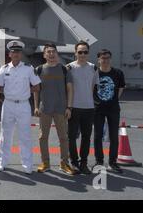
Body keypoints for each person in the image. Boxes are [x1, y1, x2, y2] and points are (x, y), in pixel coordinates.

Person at [0, 41, 41, 174]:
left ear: (21, 54)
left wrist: (24, 91)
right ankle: (2, 162)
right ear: (9, 54)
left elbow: (37, 86)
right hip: (8, 104)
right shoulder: (4, 69)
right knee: (5, 134)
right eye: (13, 52)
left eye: (18, 52)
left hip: (23, 105)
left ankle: (27, 165)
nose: (15, 54)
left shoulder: (28, 68)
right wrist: (9, 93)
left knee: (25, 135)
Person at [33, 43, 75, 175]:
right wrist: (35, 106)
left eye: (53, 52)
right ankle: (45, 163)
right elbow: (36, 90)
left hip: (61, 109)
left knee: (63, 137)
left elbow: (70, 89)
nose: (51, 54)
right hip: (44, 108)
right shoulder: (39, 69)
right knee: (42, 137)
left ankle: (64, 163)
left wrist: (69, 107)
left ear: (57, 54)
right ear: (44, 55)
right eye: (48, 52)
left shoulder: (64, 70)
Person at [67, 41, 99, 175]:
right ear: (75, 53)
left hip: (88, 107)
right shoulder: (69, 67)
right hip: (73, 107)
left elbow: (93, 87)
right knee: (72, 137)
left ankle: (83, 163)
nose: (82, 54)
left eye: (85, 52)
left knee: (86, 137)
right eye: (80, 52)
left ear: (88, 53)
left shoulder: (93, 68)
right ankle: (74, 162)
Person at [93, 49, 126, 174]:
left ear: (110, 59)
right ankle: (99, 161)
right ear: (99, 59)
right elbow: (91, 88)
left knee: (113, 136)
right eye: (103, 58)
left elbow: (121, 88)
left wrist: (113, 99)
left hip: (113, 108)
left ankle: (113, 162)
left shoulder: (118, 73)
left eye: (107, 58)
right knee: (97, 135)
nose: (105, 60)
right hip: (98, 109)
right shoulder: (94, 73)